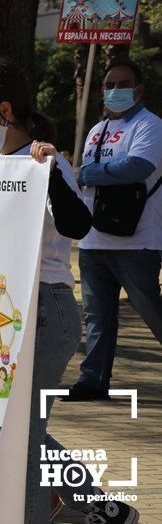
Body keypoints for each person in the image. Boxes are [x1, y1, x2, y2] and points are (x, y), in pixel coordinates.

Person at [0, 59, 138, 524]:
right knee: (16, 431)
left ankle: (67, 511)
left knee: (20, 436)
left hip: (45, 311)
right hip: (4, 318)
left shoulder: (44, 163)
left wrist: (46, 174)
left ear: (3, 111)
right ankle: (101, 508)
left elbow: (77, 225)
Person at [61, 59, 162, 402]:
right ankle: (93, 380)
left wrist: (88, 173)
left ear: (138, 89)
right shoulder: (96, 130)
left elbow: (137, 166)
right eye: (108, 85)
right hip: (93, 238)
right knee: (97, 315)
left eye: (122, 84)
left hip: (137, 240)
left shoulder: (151, 126)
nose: (114, 90)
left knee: (151, 310)